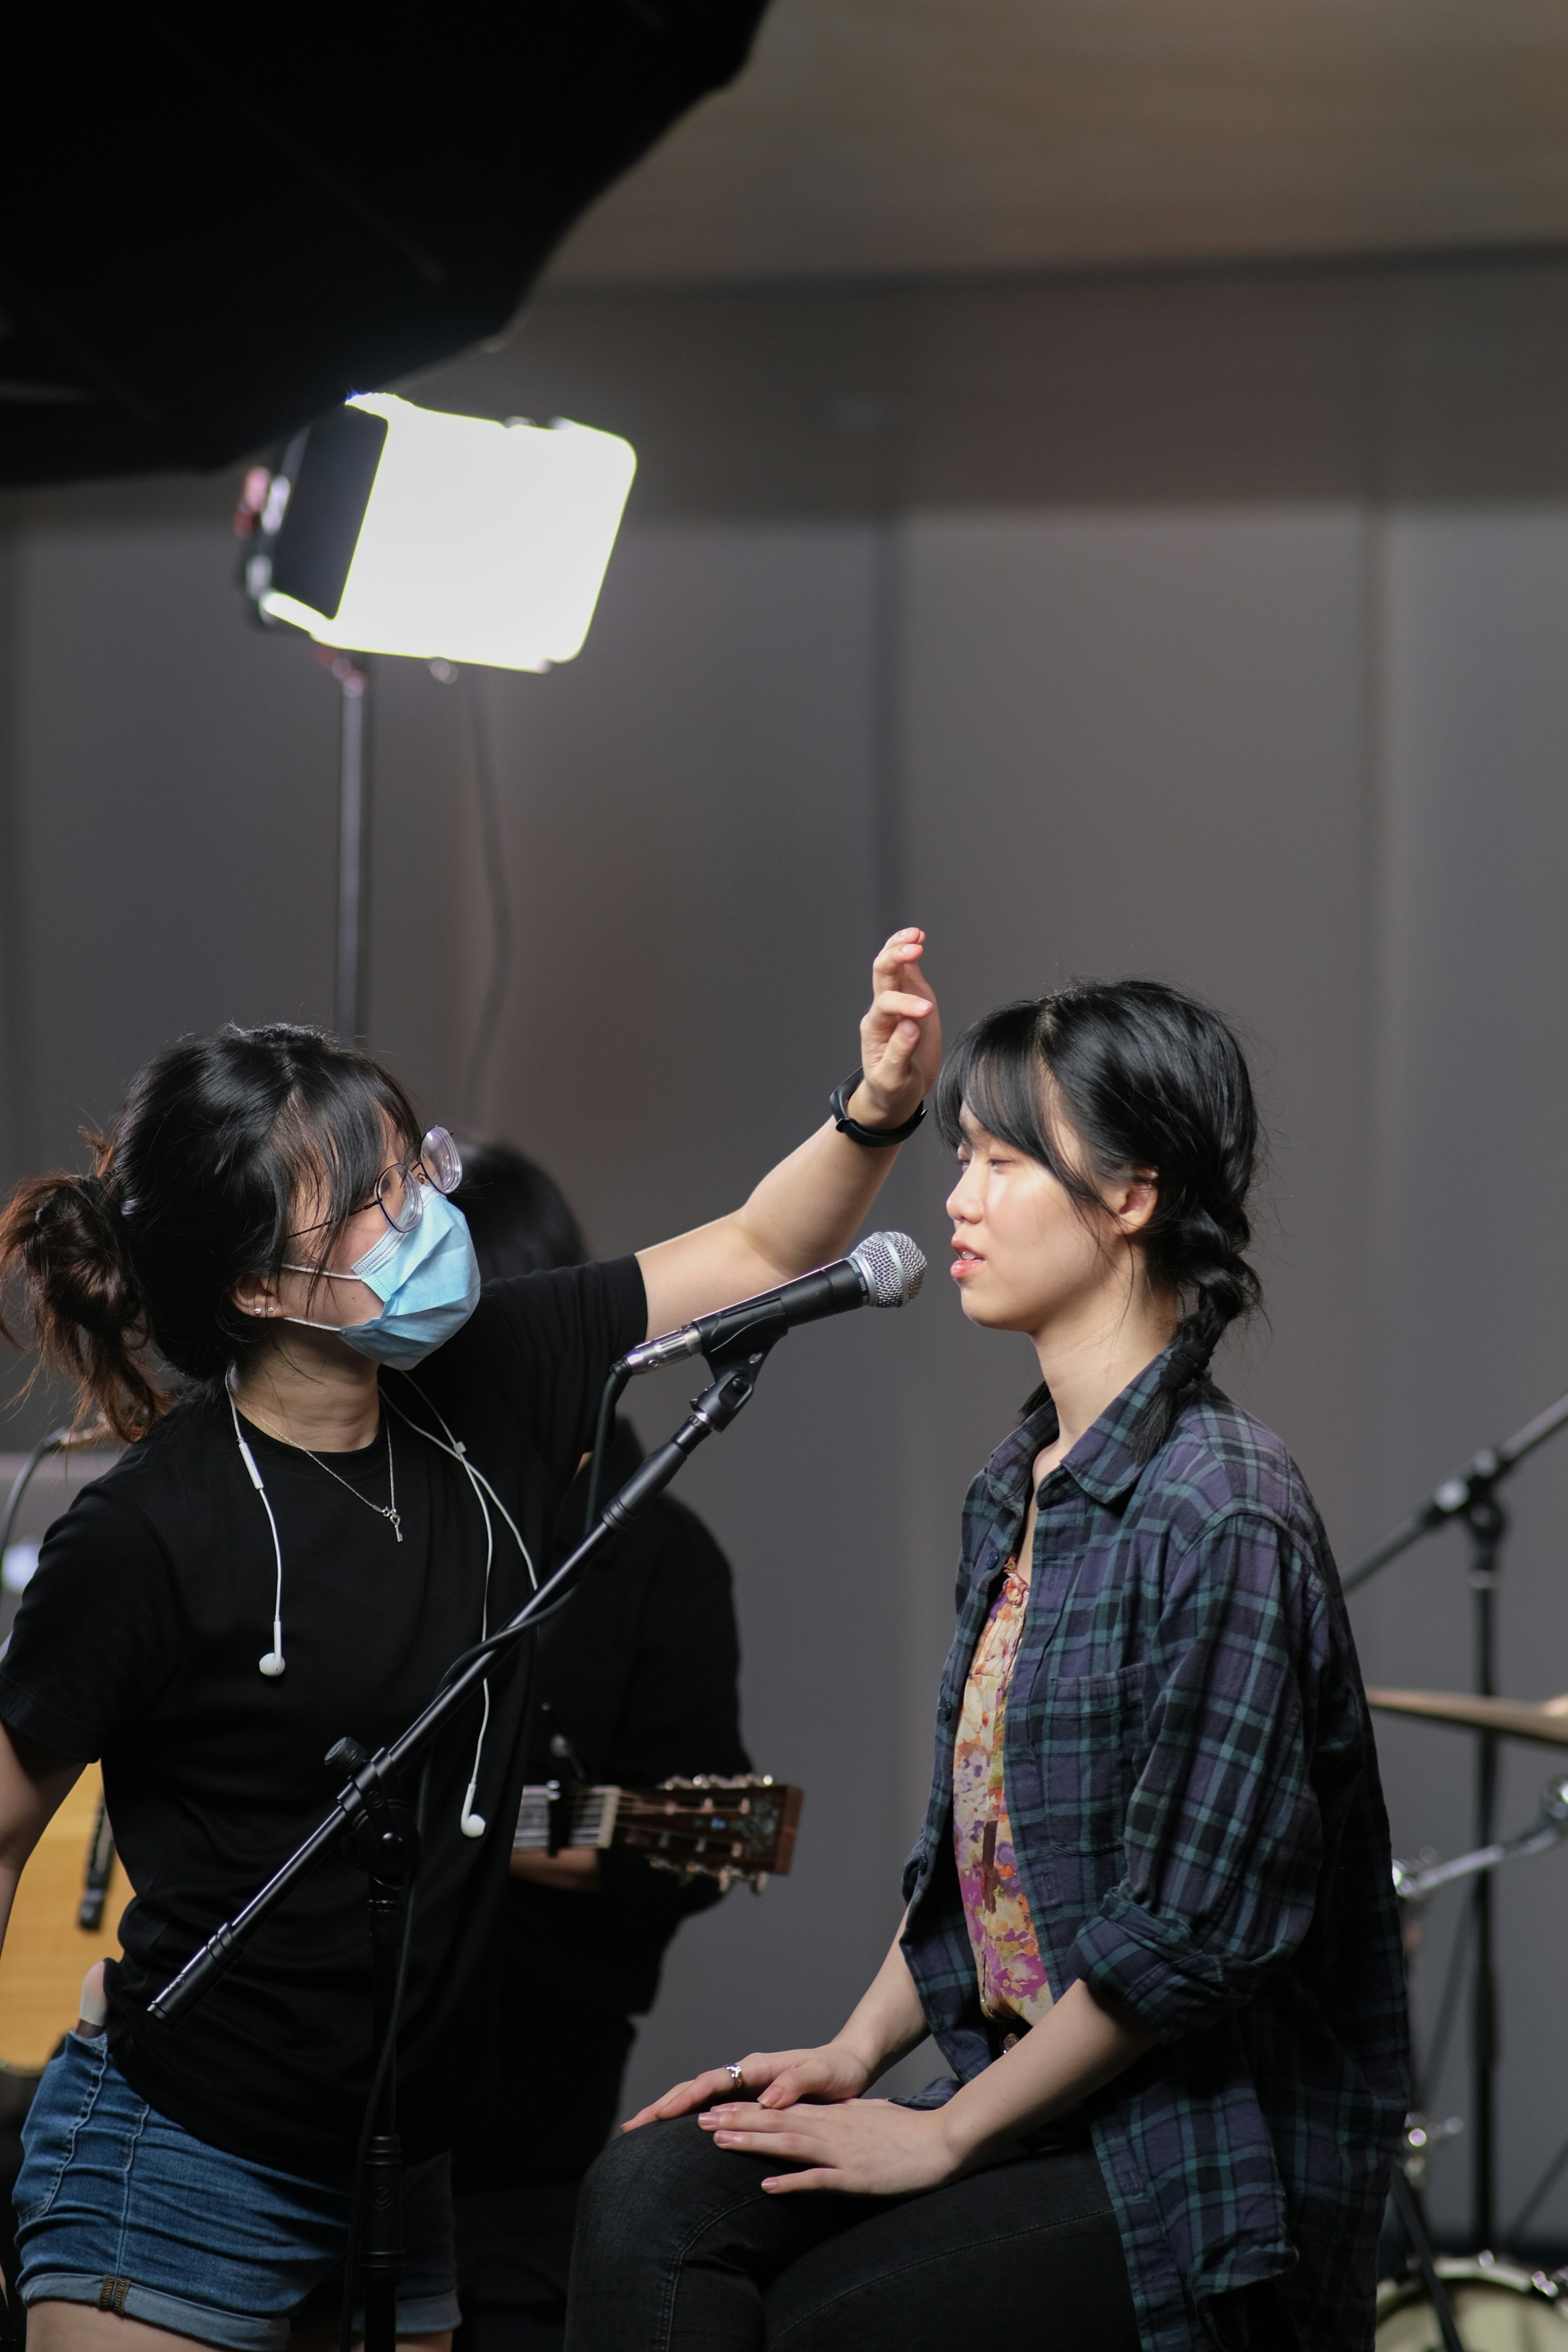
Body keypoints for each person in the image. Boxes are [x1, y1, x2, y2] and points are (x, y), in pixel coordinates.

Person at [0, 926, 942, 2352]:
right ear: (257, 1289)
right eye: (368, 1209)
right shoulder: (148, 1535)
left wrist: (875, 1103)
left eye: (410, 1169)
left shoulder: (492, 1368)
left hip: (403, 2171)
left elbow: (762, 1247)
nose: (424, 1213)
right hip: (173, 2169)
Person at [567, 980, 1410, 2352]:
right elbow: (977, 1864)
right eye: (959, 1157)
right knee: (651, 2193)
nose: (955, 1199)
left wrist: (944, 2135)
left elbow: (1188, 1935)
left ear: (1129, 1195)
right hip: (1033, 2109)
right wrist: (851, 2056)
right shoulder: (1016, 1482)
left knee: (823, 2324)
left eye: (1001, 1162)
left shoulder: (1222, 1503)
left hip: (1185, 2165)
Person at [445, 1144, 751, 2352]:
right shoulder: (372, 1508)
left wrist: (458, 1829)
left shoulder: (656, 1558)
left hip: (518, 2128)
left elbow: (697, 1835)